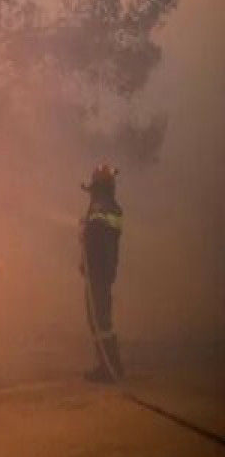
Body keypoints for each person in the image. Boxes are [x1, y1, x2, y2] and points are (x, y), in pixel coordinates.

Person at [79, 163, 124, 383]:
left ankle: (109, 368)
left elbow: (96, 237)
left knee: (100, 319)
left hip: (99, 272)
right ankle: (107, 365)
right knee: (99, 318)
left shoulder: (102, 208)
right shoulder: (107, 207)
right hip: (101, 271)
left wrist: (85, 229)